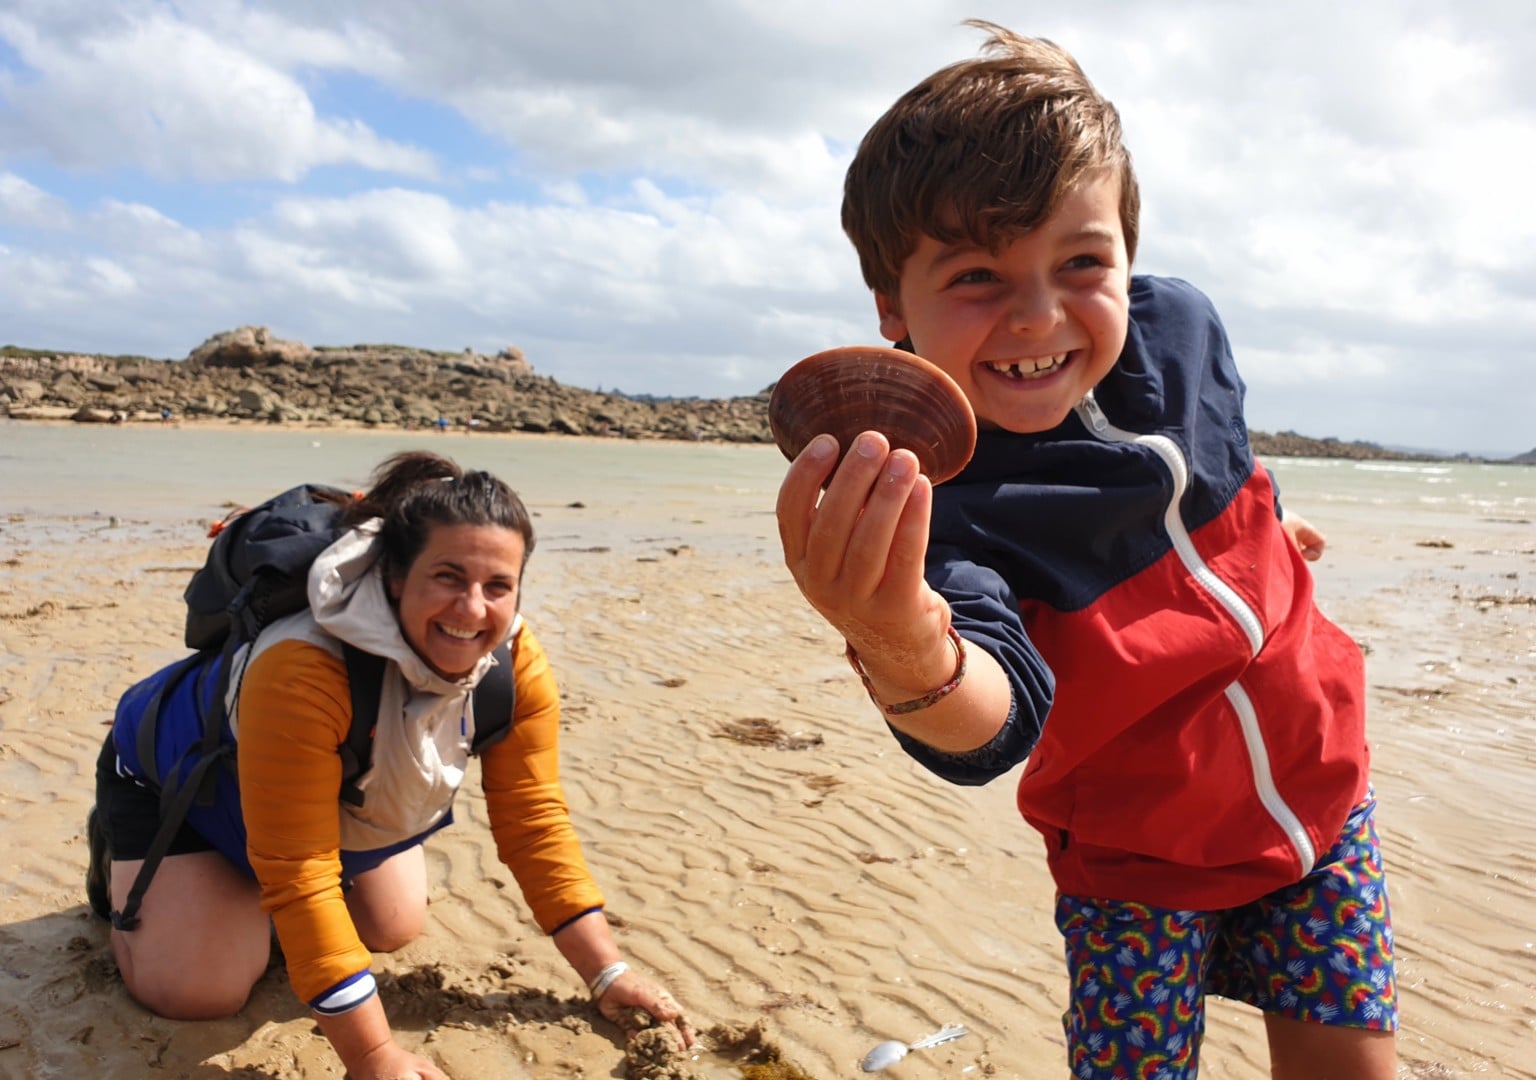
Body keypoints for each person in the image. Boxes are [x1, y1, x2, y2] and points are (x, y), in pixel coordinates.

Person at [775, 22, 1393, 1079]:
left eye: (1082, 261)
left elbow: (1224, 463)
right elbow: (993, 717)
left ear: (1128, 255)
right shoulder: (953, 500)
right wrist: (903, 643)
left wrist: (1263, 533)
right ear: (894, 309)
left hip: (1323, 790)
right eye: (976, 275)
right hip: (1133, 862)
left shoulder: (1184, 327)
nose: (1039, 314)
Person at [89, 450, 693, 1079]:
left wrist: (607, 971)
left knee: (394, 925)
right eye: (448, 577)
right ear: (397, 576)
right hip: (185, 791)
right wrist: (373, 1055)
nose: (471, 610)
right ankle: (122, 867)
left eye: (497, 586)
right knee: (200, 992)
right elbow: (300, 872)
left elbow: (533, 820)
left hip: (313, 804)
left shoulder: (513, 664)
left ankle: (233, 905)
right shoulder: (304, 668)